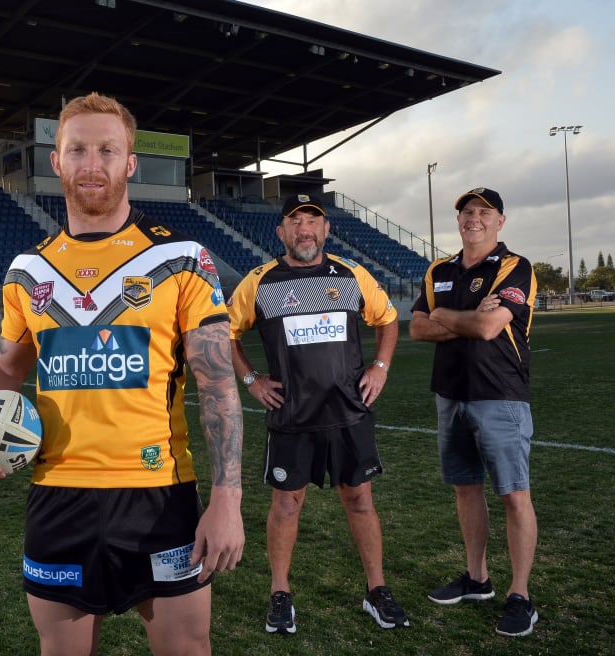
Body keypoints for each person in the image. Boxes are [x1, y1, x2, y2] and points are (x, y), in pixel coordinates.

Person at [0, 92, 245, 656]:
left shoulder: (182, 258)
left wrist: (227, 499)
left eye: (107, 149)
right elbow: (6, 362)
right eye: (78, 149)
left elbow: (218, 382)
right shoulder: (27, 271)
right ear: (56, 162)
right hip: (59, 497)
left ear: (130, 162)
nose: (92, 164)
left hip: (159, 496)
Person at [228, 193, 409, 634]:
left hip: (349, 413)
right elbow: (226, 332)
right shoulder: (259, 282)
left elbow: (386, 319)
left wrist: (380, 368)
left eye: (313, 221)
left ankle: (377, 590)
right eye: (296, 222)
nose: (304, 229)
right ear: (281, 232)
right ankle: (280, 594)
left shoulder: (352, 275)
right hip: (293, 417)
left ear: (326, 229)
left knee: (360, 500)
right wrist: (252, 380)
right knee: (286, 505)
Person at [409, 187, 539, 637]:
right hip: (450, 394)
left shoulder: (514, 266)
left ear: (500, 221)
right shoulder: (438, 270)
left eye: (484, 212)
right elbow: (415, 328)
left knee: (513, 494)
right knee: (466, 490)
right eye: (467, 211)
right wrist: (452, 315)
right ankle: (477, 579)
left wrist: (442, 316)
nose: (474, 218)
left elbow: (488, 327)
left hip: (499, 394)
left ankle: (520, 595)